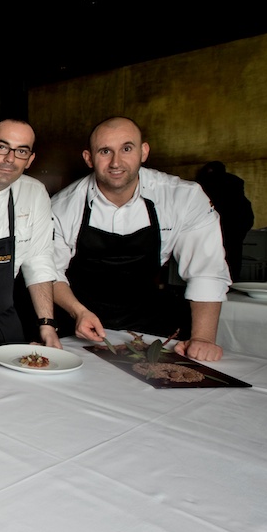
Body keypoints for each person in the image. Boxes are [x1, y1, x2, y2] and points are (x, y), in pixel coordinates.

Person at [51, 116, 230, 361]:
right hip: (79, 322)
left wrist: (203, 339)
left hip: (149, 324)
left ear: (143, 151)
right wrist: (78, 312)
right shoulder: (62, 205)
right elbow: (49, 273)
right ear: (88, 158)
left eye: (126, 148)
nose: (116, 162)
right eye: (105, 151)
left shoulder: (183, 197)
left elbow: (206, 271)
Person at [0, 119, 62, 349]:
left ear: (30, 160)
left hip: (1, 312)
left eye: (21, 151)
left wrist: (47, 324)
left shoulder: (34, 192)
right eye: (2, 147)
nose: (10, 159)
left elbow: (38, 259)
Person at [196, 160, 254, 281]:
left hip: (215, 235)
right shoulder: (234, 187)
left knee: (210, 269)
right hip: (230, 235)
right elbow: (247, 217)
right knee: (230, 265)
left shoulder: (206, 187)